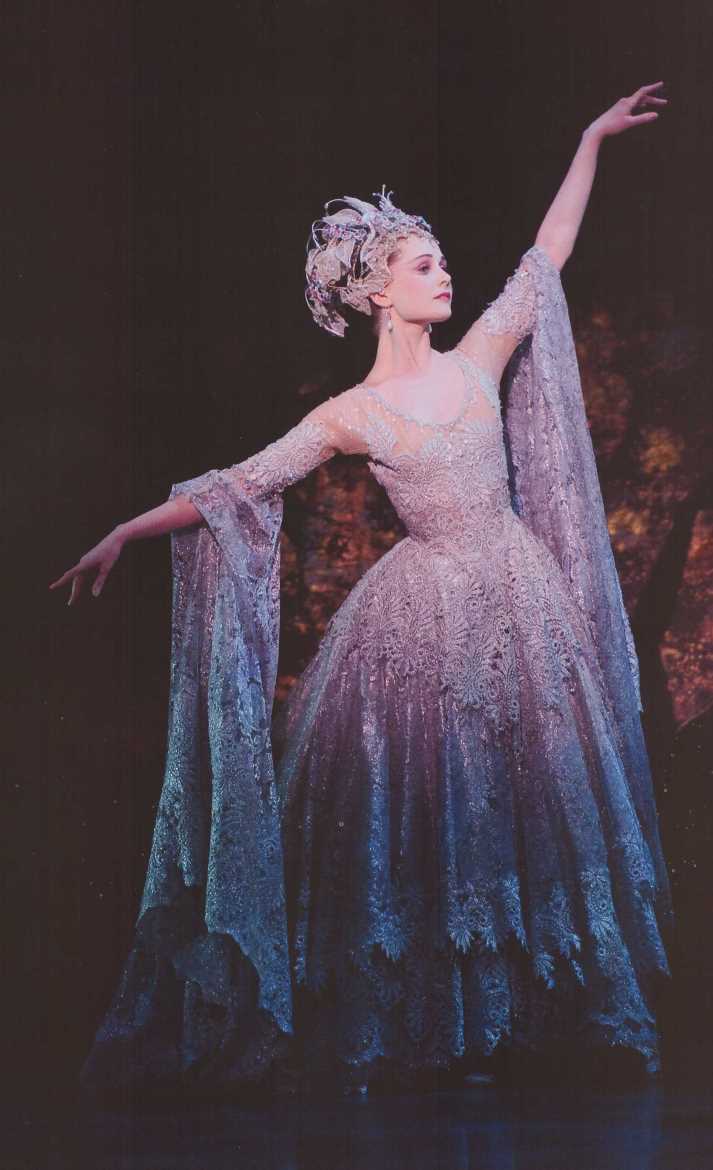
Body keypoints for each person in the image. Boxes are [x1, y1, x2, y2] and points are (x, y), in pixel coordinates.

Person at [51, 82, 673, 1098]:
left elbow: (545, 255)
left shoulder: (478, 360)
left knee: (527, 808)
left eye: (441, 260)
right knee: (434, 818)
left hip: (518, 602)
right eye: (425, 265)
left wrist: (589, 139)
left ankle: (539, 1022)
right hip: (417, 623)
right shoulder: (351, 414)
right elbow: (239, 484)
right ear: (380, 290)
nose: (445, 274)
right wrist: (127, 528)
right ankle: (443, 1029)